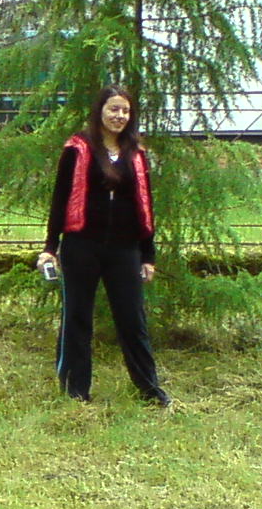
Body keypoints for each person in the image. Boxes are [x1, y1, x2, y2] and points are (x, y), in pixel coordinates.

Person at [36, 86, 170, 408]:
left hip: (125, 250)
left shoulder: (136, 153)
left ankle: (150, 392)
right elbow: (60, 198)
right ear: (100, 111)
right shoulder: (78, 148)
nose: (119, 116)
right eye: (113, 109)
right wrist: (50, 247)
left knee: (133, 321)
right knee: (77, 319)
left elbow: (145, 205)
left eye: (125, 111)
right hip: (81, 246)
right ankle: (76, 392)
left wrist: (148, 255)